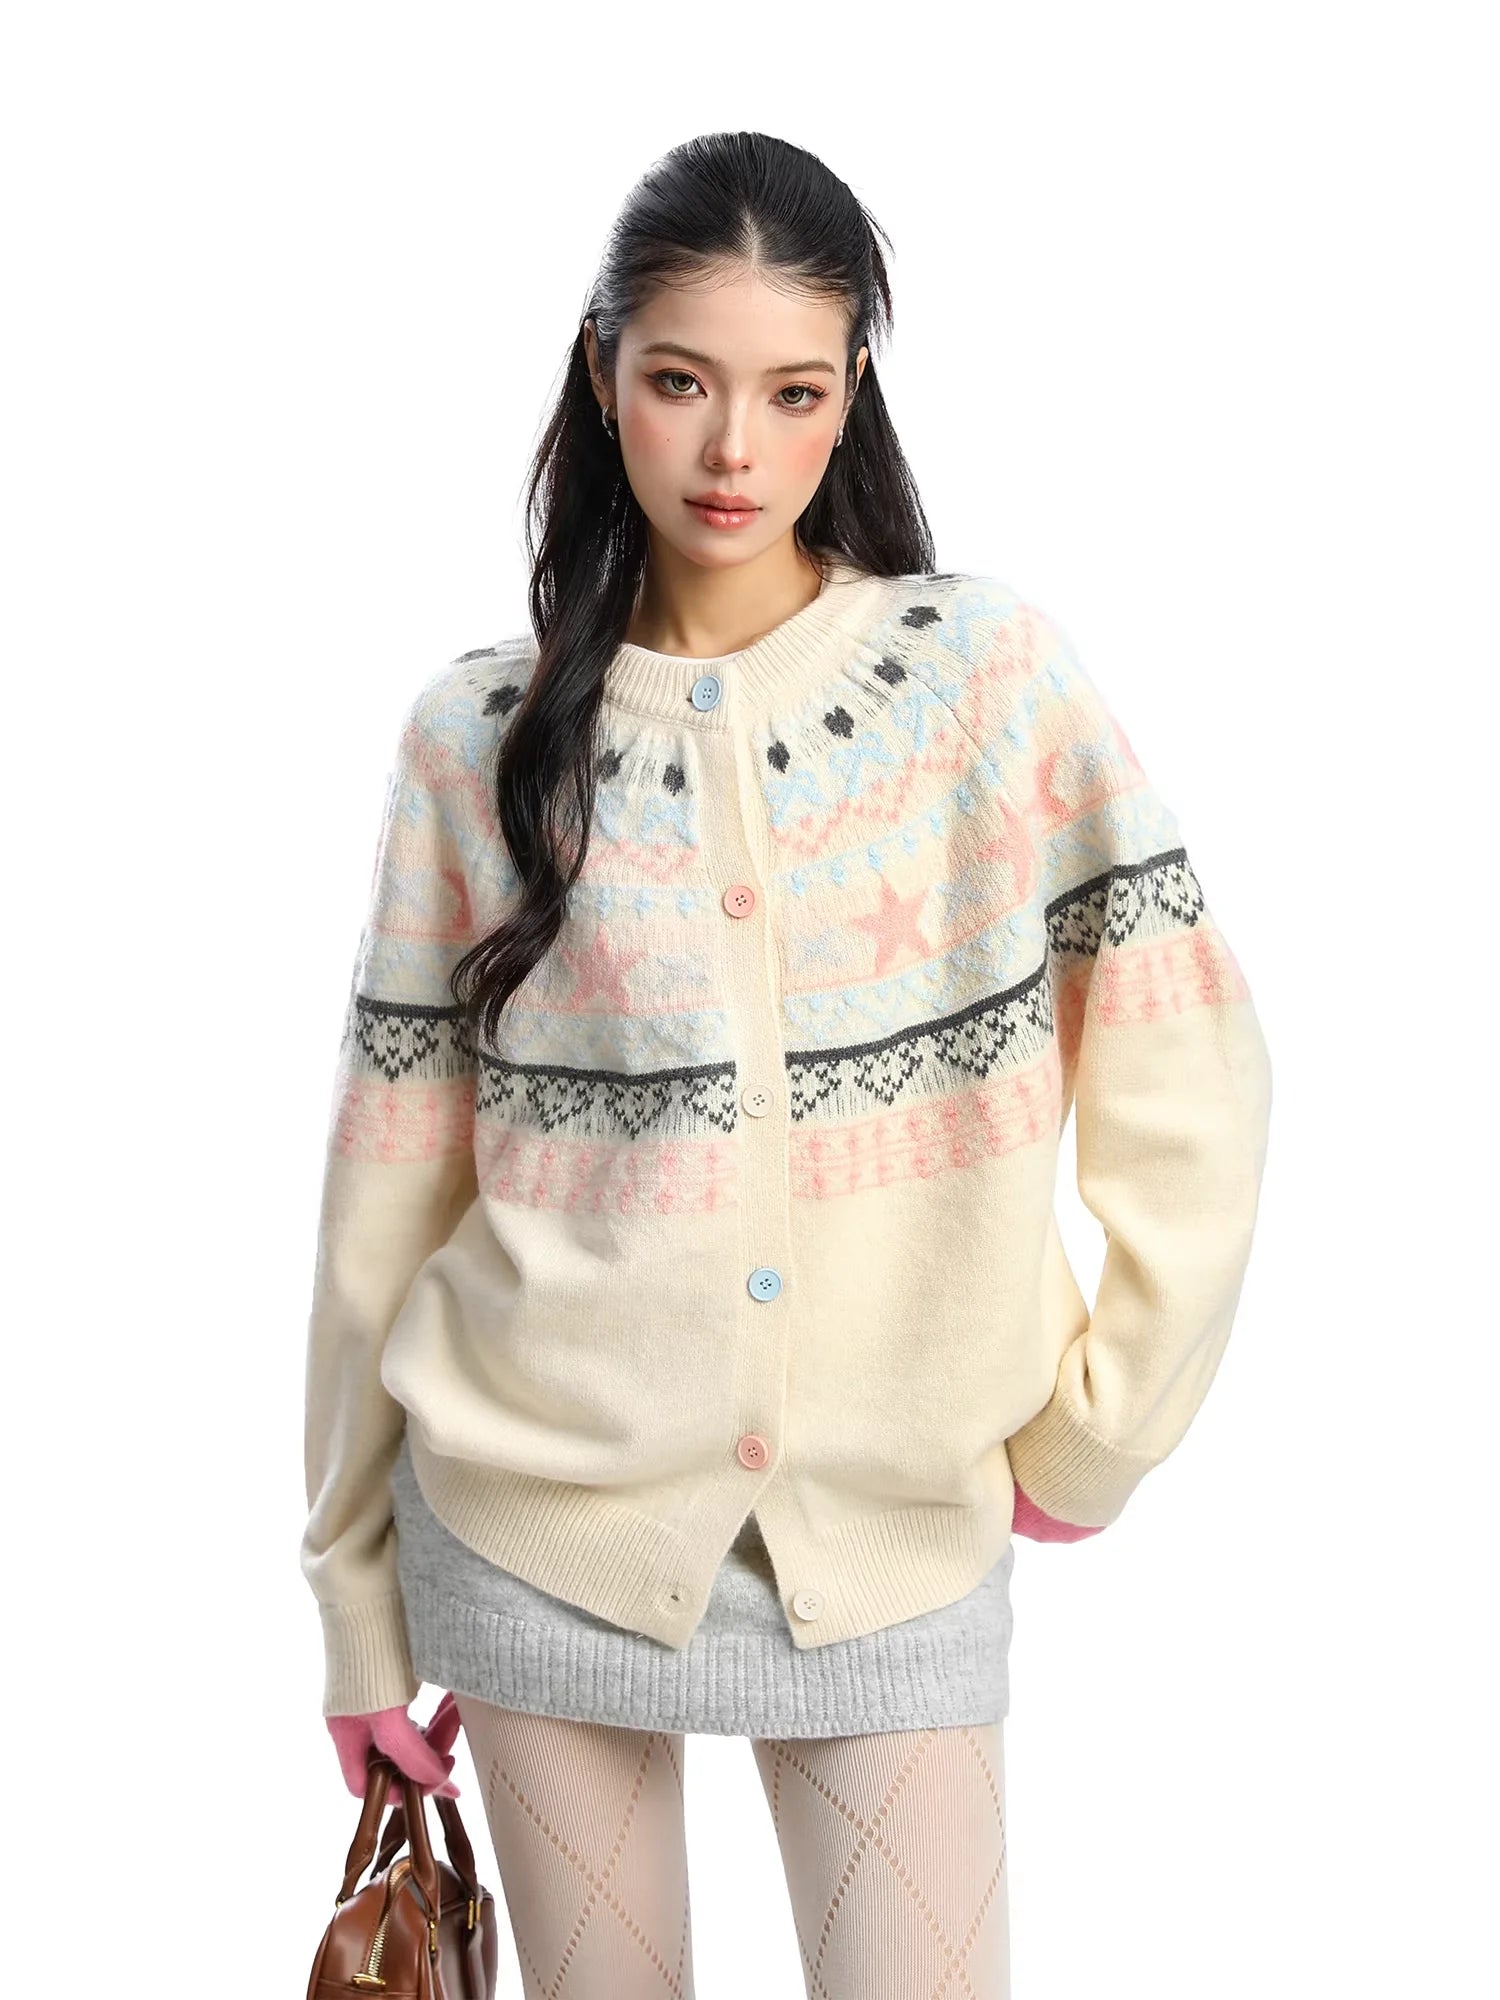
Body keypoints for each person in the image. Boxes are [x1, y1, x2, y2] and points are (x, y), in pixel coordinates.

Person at [301, 129, 1273, 1999]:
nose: (732, 449)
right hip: (532, 1527)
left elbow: (1194, 1075)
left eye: (794, 392)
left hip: (895, 1542)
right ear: (602, 377)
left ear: (852, 395)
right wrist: (353, 1598)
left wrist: (1103, 1427)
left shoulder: (988, 681)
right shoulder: (476, 739)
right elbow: (384, 1200)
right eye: (681, 382)